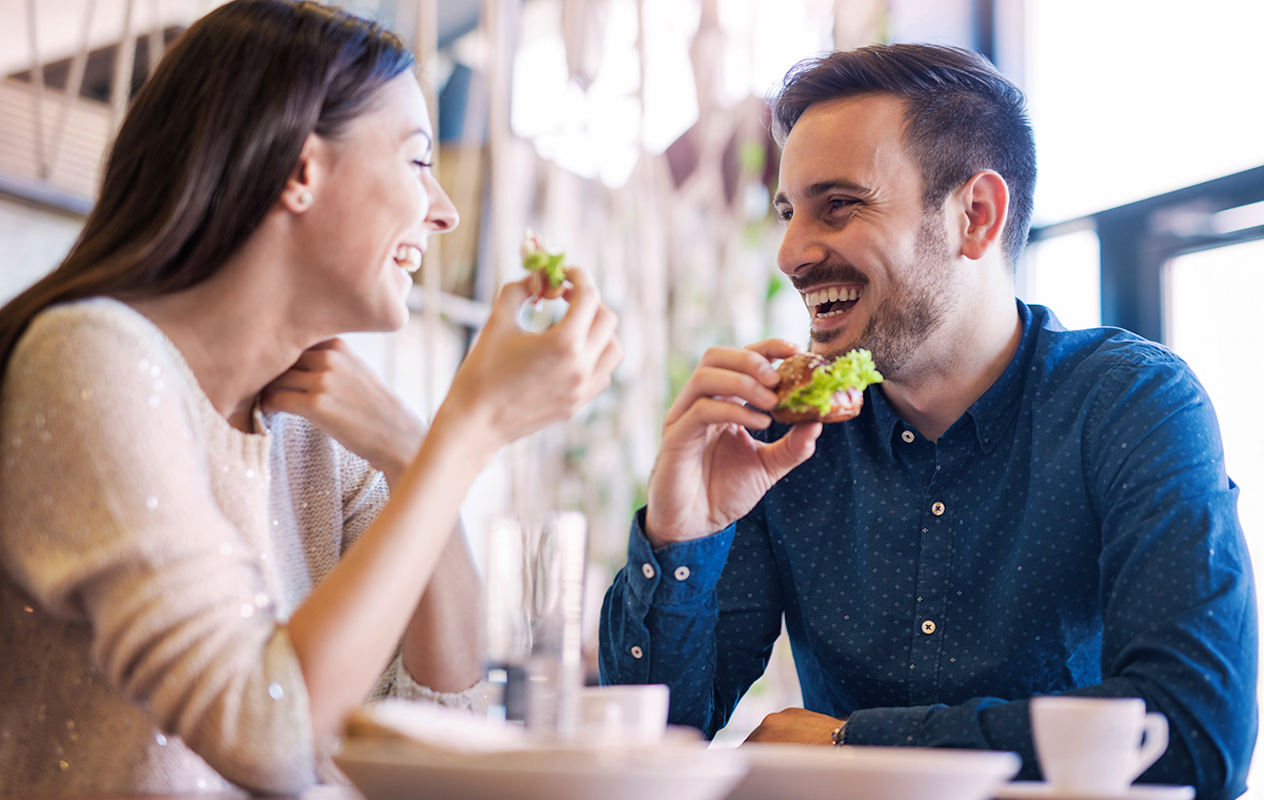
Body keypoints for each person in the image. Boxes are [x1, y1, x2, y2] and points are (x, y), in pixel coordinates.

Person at [599, 43, 1255, 799]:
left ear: (975, 216)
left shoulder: (1131, 405)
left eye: (837, 205)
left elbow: (1197, 735)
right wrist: (682, 533)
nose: (790, 252)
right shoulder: (779, 439)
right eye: (786, 211)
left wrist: (853, 742)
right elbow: (648, 742)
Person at [0, 0, 620, 795]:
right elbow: (270, 735)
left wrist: (412, 448)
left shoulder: (314, 434)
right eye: (417, 160)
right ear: (301, 170)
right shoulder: (87, 357)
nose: (445, 210)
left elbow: (445, 723)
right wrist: (469, 431)